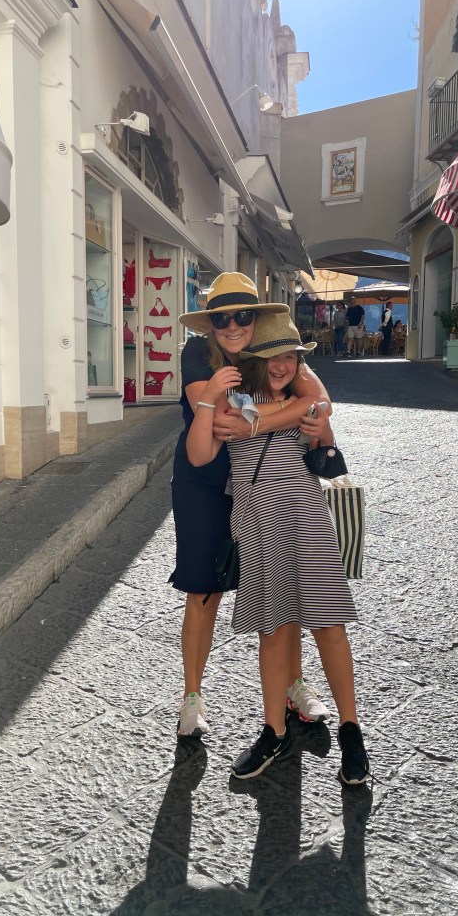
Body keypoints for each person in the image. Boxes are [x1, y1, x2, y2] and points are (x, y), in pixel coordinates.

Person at [185, 309, 370, 784]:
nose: (282, 365)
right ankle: (274, 730)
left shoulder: (303, 401)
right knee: (273, 628)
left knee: (328, 624)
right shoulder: (234, 401)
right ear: (252, 361)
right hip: (257, 522)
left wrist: (311, 420)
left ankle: (351, 731)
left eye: (290, 356)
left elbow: (324, 438)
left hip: (307, 517)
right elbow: (200, 453)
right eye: (271, 357)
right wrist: (209, 402)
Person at [171, 272, 337, 739]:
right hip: (205, 483)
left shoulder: (271, 345)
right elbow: (220, 422)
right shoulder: (197, 353)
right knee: (205, 590)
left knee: (286, 584)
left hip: (264, 483)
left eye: (242, 315)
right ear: (210, 323)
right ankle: (192, 697)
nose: (232, 326)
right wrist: (285, 414)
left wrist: (257, 424)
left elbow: (321, 400)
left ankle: (293, 686)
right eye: (221, 318)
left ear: (256, 317)